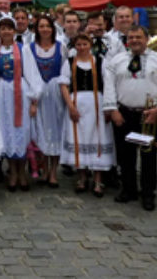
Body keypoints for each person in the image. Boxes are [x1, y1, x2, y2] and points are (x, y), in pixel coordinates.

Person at [103, 25, 157, 211]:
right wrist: (113, 109)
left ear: (147, 38)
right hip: (124, 114)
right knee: (125, 155)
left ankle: (148, 193)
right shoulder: (117, 61)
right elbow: (109, 86)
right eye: (131, 37)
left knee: (148, 156)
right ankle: (128, 189)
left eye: (138, 37)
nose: (134, 40)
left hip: (149, 115)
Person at [0, 17, 43, 191]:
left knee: (21, 131)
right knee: (5, 131)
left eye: (10, 28)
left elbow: (32, 74)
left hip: (20, 96)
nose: (6, 31)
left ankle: (22, 171)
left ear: (14, 31)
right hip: (0, 95)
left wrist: (34, 100)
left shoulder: (23, 50)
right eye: (3, 28)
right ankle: (12, 172)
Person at [59, 33, 114, 196]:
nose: (82, 47)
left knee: (98, 139)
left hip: (97, 103)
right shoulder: (69, 62)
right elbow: (63, 86)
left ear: (90, 45)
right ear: (74, 46)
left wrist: (108, 107)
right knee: (80, 139)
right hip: (77, 102)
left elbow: (109, 84)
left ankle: (98, 179)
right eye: (78, 45)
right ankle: (82, 177)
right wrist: (70, 107)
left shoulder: (100, 61)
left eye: (84, 44)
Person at [30, 14, 68, 187]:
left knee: (56, 131)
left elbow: (65, 73)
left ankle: (53, 172)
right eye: (41, 26)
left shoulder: (61, 47)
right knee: (40, 131)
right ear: (37, 29)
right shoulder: (30, 48)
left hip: (55, 94)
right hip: (37, 93)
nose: (44, 29)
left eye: (47, 26)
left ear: (52, 29)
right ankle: (43, 169)